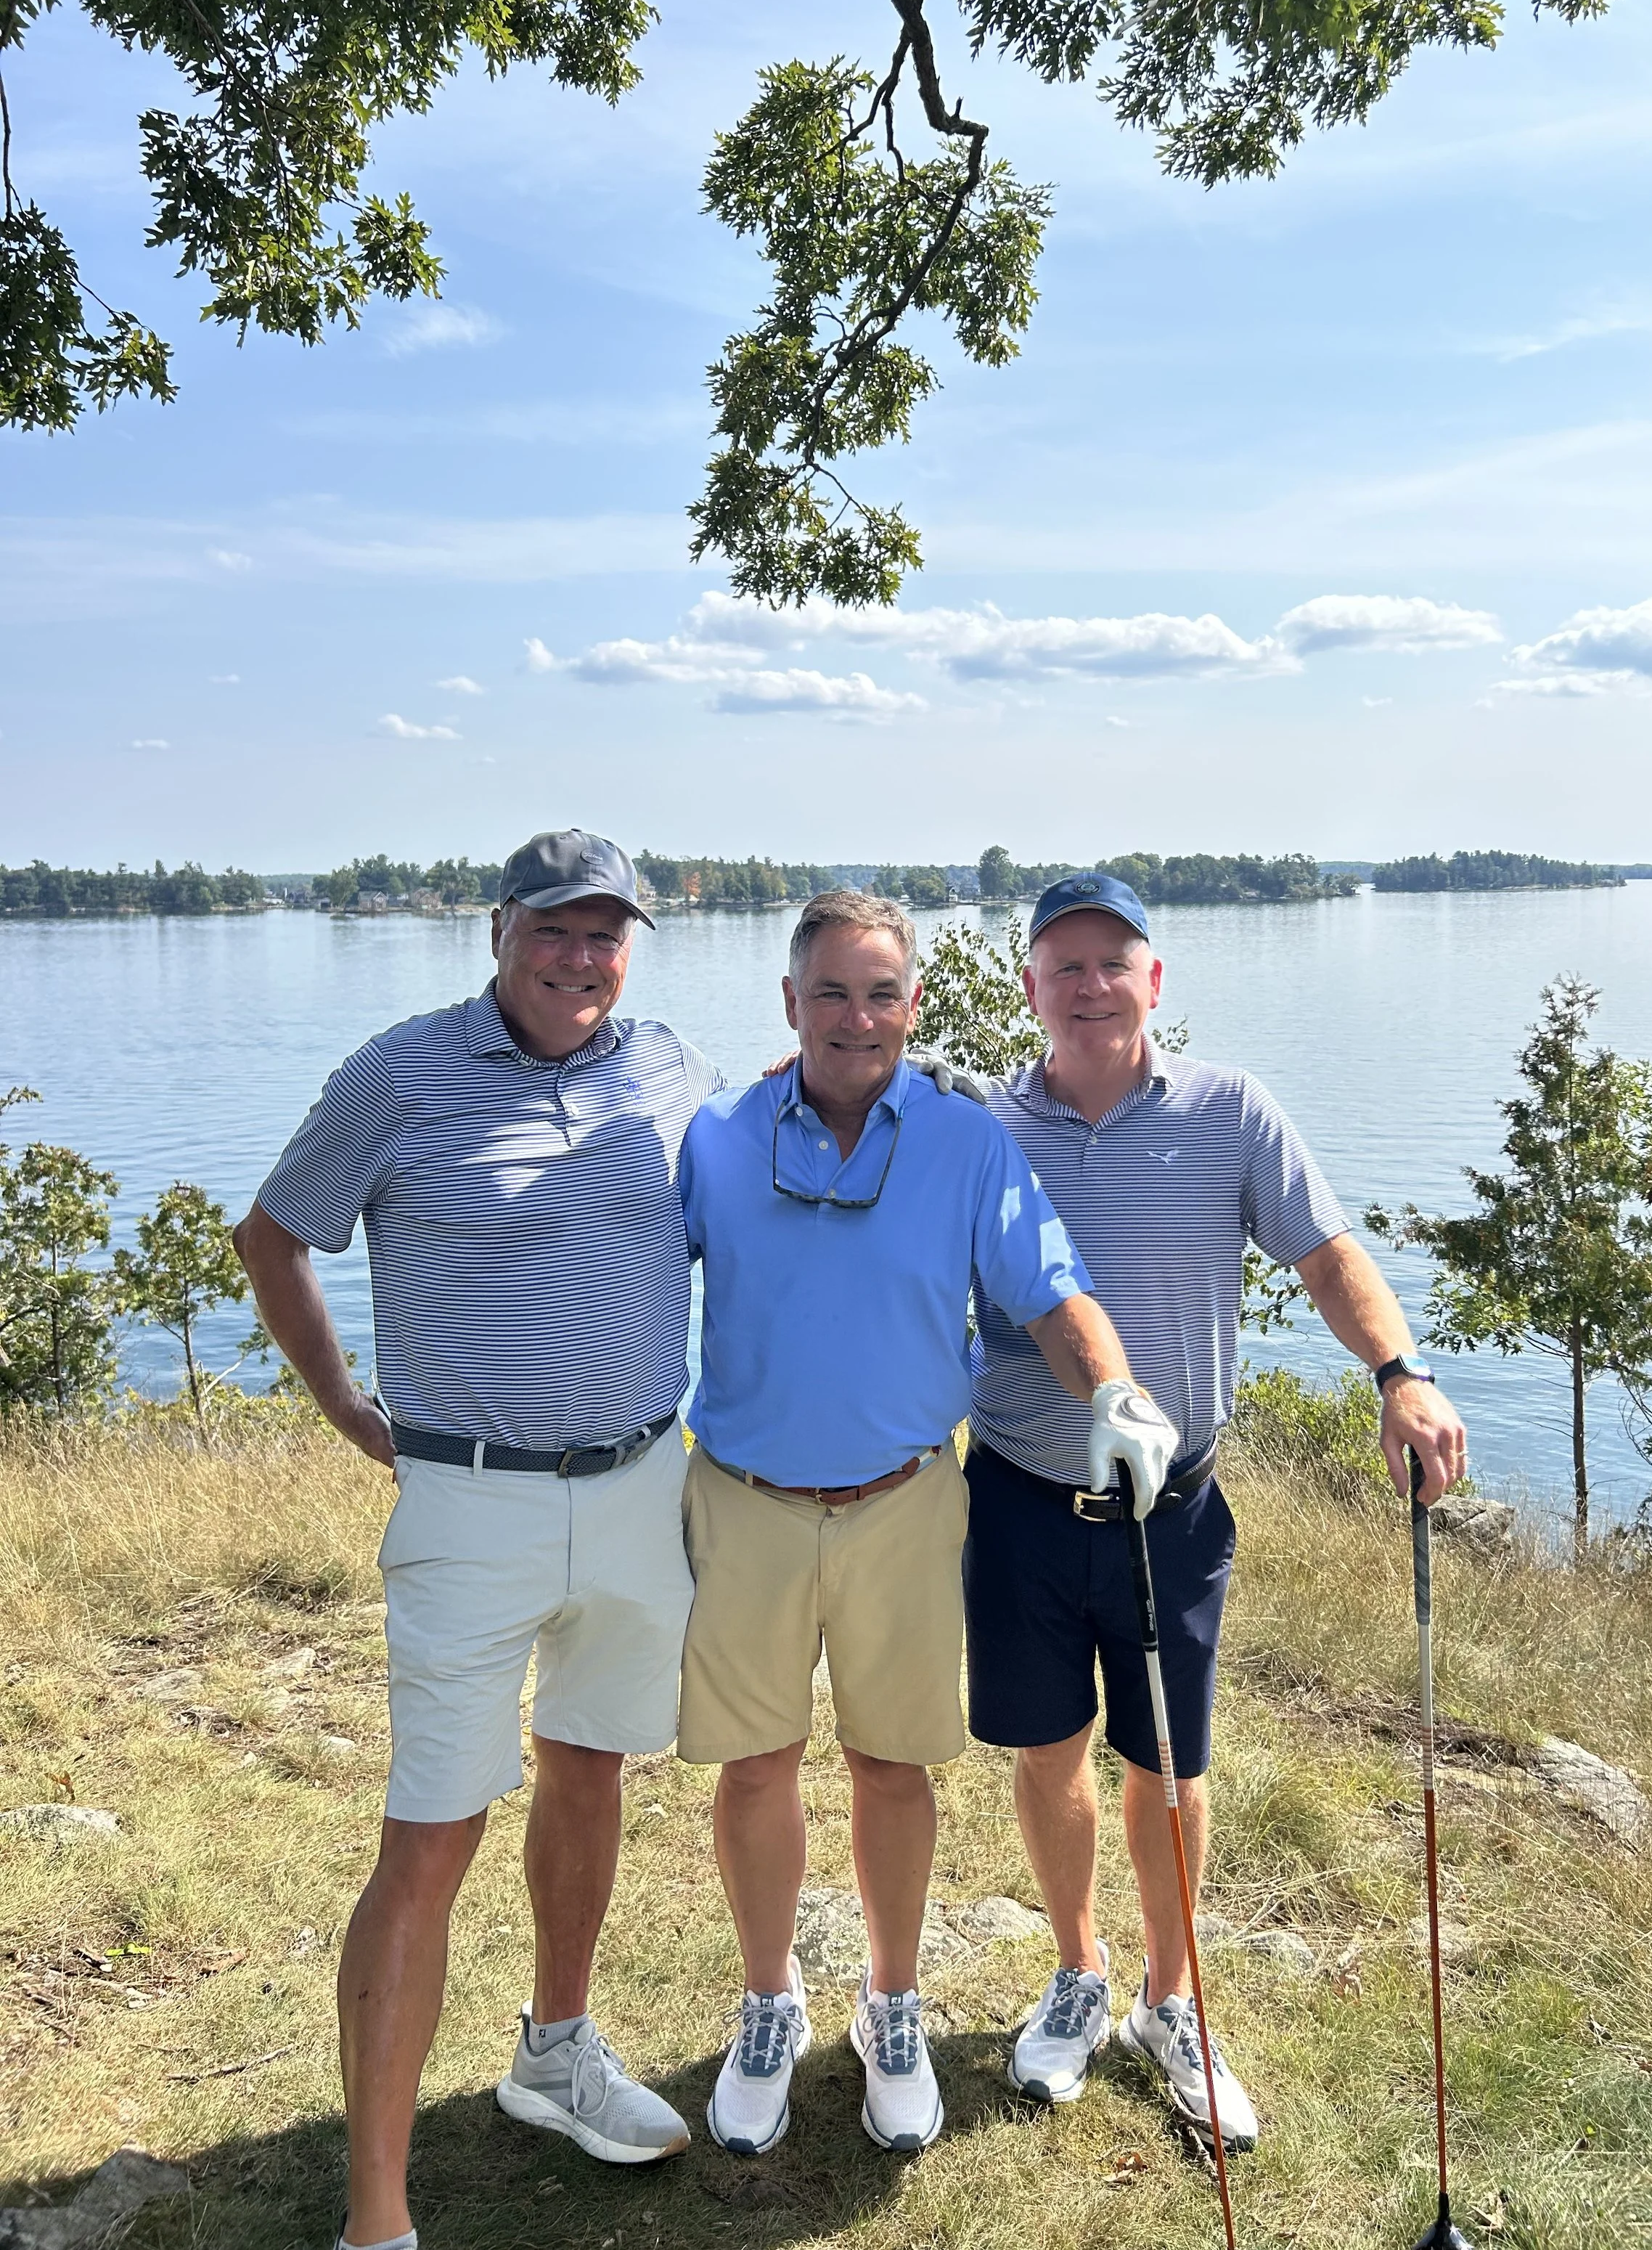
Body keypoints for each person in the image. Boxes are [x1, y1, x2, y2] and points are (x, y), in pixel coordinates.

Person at [235, 830, 722, 2250]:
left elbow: (761, 1204)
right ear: (498, 930)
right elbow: (277, 1235)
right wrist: (341, 1401)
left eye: (606, 934)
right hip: (467, 1501)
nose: (580, 958)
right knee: (432, 1831)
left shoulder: (671, 1065)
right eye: (553, 931)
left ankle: (552, 2052)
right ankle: (376, 2221)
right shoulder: (399, 1074)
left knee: (590, 1768)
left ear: (632, 945)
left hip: (642, 1487)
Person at [962, 872, 1468, 2141]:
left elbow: (1328, 1252)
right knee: (1048, 1750)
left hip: (1172, 1512)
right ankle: (1079, 1972)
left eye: (1113, 962)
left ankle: (1169, 2000)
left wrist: (1398, 1374)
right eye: (1063, 965)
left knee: (1171, 1762)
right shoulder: (975, 1126)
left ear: (1154, 980)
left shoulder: (1231, 1110)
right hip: (1020, 1496)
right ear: (1029, 987)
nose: (1089, 986)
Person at [674, 889, 1175, 2161]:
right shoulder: (717, 1135)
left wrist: (1113, 1391)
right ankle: (770, 2002)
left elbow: (1052, 1288)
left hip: (905, 1501)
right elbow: (622, 1271)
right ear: (790, 1004)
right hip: (745, 1503)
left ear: (914, 1004)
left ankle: (890, 2001)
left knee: (894, 1767)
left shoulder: (963, 1140)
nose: (858, 1018)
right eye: (831, 993)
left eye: (882, 993)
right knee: (757, 1765)